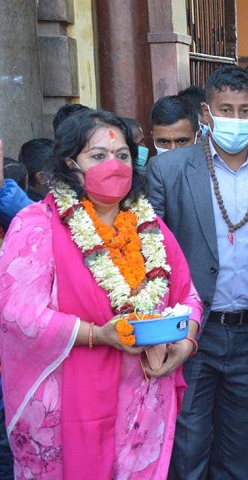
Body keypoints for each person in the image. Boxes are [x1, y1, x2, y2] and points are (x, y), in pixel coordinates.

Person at [0, 109, 202, 478]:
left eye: (122, 155)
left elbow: (187, 295)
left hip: (142, 404)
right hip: (64, 407)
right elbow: (19, 313)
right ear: (69, 164)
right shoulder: (37, 225)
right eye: (98, 155)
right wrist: (98, 334)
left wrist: (186, 341)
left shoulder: (149, 226)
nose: (114, 164)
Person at [147, 65, 248, 479]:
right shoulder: (170, 170)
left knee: (242, 449)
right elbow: (151, 253)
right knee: (188, 445)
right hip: (192, 332)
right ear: (206, 113)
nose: (235, 119)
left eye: (245, 110)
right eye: (225, 110)